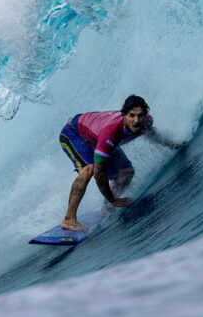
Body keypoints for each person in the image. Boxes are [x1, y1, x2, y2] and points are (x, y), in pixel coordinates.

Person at [58, 94, 182, 231]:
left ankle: (106, 207)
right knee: (90, 169)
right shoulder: (110, 134)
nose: (136, 121)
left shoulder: (145, 122)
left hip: (95, 135)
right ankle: (69, 220)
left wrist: (173, 145)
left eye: (140, 115)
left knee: (126, 173)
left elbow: (153, 135)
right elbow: (100, 176)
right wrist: (114, 199)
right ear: (124, 115)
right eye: (131, 116)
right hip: (74, 134)